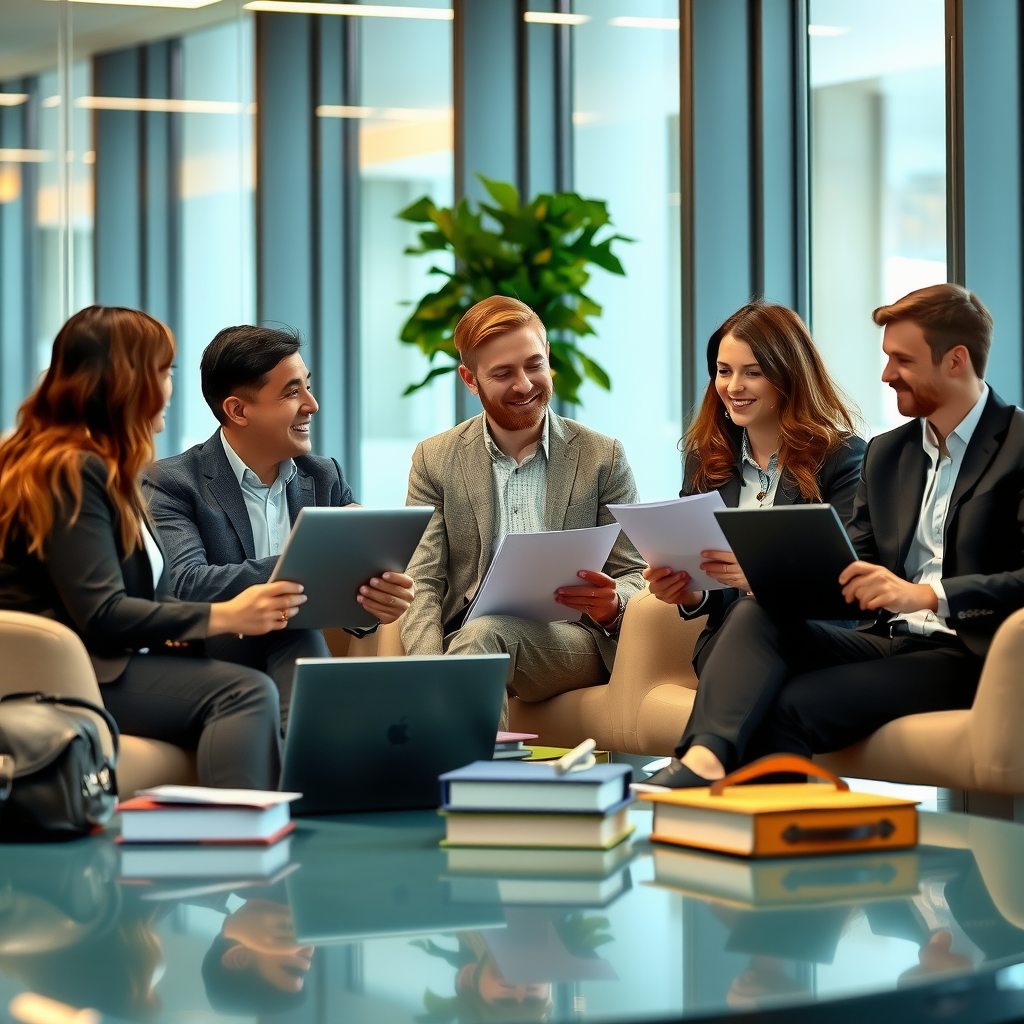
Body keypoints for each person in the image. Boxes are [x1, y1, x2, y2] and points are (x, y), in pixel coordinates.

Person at [648, 283, 1024, 788]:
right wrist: (764, 578)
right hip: (886, 638)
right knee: (758, 611)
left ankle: (767, 834)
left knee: (783, 705)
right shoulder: (890, 454)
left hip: (966, 651)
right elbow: (849, 571)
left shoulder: (1017, 447)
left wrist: (927, 595)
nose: (886, 374)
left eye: (901, 360)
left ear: (956, 360)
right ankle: (705, 765)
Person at [0, 306, 302, 790]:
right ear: (127, 382)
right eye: (164, 372)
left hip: (105, 656)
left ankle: (304, 801)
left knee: (287, 636)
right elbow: (102, 613)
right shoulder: (73, 468)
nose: (170, 387)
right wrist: (225, 616)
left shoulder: (92, 462)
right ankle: (234, 839)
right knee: (242, 693)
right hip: (69, 671)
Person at [143, 325, 415, 726]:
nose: (312, 404)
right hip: (206, 660)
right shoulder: (172, 482)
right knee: (292, 627)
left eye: (307, 386)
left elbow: (348, 590)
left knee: (295, 630)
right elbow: (186, 584)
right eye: (292, 392)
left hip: (296, 659)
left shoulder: (324, 477)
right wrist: (306, 562)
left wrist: (374, 601)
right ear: (238, 410)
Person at [400, 295, 646, 726]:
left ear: (548, 356)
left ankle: (469, 786)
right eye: (503, 373)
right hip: (469, 639)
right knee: (479, 637)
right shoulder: (434, 458)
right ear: (470, 379)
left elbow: (636, 572)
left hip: (575, 640)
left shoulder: (602, 455)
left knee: (484, 634)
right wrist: (429, 667)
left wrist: (615, 605)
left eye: (534, 364)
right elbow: (422, 581)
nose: (525, 384)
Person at [643, 303, 865, 672]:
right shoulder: (704, 461)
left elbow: (848, 582)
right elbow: (712, 582)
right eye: (723, 371)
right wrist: (691, 593)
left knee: (752, 614)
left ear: (788, 376)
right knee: (744, 617)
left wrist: (763, 578)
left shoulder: (843, 458)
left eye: (753, 373)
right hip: (727, 644)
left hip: (814, 639)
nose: (733, 387)